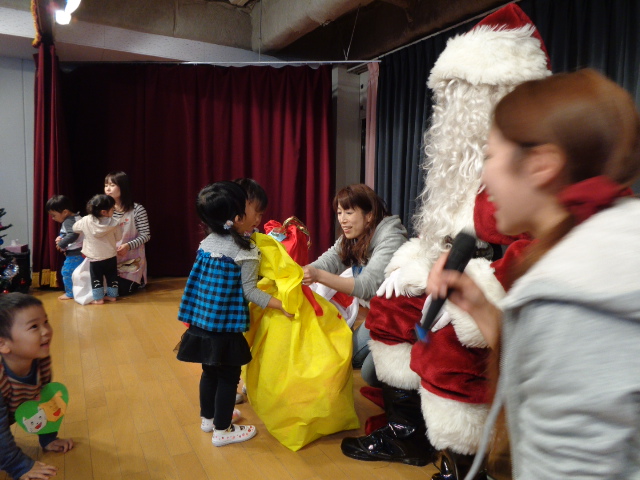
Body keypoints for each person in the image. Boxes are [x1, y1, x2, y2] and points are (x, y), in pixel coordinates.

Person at [427, 69, 640, 479]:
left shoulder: (570, 298)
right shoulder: (604, 250)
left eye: (490, 156)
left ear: (541, 165)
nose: (483, 176)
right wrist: (482, 308)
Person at [176, 181, 292, 447]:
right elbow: (250, 292)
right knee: (229, 376)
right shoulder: (246, 250)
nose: (255, 216)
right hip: (225, 327)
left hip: (201, 322)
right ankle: (223, 429)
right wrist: (280, 304)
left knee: (209, 372)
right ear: (238, 217)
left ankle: (209, 419)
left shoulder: (207, 242)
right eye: (249, 209)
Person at [302, 184, 408, 386]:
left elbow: (366, 286)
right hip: (380, 315)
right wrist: (300, 272)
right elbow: (329, 261)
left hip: (402, 319)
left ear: (369, 215)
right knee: (345, 354)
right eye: (339, 212)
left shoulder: (391, 238)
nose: (342, 219)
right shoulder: (354, 236)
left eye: (349, 212)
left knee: (370, 374)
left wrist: (317, 275)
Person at [0, 293, 74, 480]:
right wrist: (19, 466)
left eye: (45, 322)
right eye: (34, 326)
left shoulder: (40, 360)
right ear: (3, 343)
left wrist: (48, 438)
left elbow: (44, 403)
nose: (46, 331)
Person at [104, 171, 151, 296]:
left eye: (112, 185)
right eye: (106, 185)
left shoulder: (137, 209)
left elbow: (145, 235)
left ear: (123, 187)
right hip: (107, 258)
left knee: (119, 290)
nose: (108, 189)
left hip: (130, 259)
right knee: (94, 285)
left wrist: (128, 246)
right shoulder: (103, 210)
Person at [73, 194, 122, 305]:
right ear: (104, 212)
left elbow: (75, 228)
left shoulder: (85, 220)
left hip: (94, 257)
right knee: (112, 276)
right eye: (112, 209)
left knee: (96, 278)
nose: (114, 211)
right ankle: (112, 296)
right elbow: (119, 237)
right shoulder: (114, 223)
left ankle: (98, 299)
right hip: (110, 256)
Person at [45, 195, 83, 301]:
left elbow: (73, 234)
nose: (52, 218)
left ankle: (70, 293)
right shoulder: (78, 217)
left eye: (54, 215)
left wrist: (62, 244)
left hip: (75, 254)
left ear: (65, 212)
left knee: (67, 272)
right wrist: (61, 238)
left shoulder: (68, 221)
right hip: (82, 253)